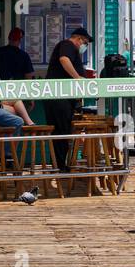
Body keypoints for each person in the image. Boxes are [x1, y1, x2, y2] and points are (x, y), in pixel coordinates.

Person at [45, 26, 94, 170]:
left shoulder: (68, 47)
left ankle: (59, 164)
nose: (84, 46)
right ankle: (60, 166)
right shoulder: (67, 45)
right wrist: (77, 77)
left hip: (62, 98)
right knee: (61, 131)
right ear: (78, 39)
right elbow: (64, 59)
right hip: (59, 98)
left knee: (62, 131)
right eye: (85, 42)